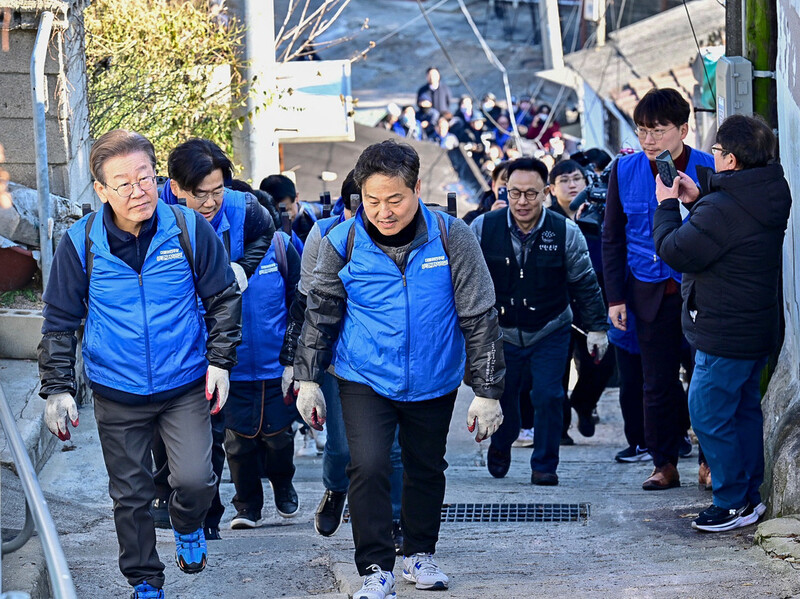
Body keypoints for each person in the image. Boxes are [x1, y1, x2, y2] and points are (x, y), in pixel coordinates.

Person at [293, 139, 505, 599]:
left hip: (434, 375)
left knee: (425, 466)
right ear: (360, 197)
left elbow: (479, 313)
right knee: (366, 464)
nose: (384, 211)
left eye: (395, 199)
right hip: (364, 374)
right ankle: (375, 567)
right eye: (373, 201)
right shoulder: (343, 240)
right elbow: (321, 313)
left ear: (417, 189)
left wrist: (488, 391)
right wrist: (307, 378)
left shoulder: (452, 236)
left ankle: (419, 553)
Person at [39, 129, 242, 599]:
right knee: (129, 495)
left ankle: (187, 523)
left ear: (160, 180)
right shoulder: (81, 242)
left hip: (185, 383)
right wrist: (58, 387)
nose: (137, 191)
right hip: (118, 391)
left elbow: (223, 298)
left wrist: (220, 361)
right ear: (102, 190)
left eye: (145, 178)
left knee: (195, 478)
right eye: (123, 183)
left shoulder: (189, 229)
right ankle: (145, 581)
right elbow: (59, 320)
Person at [653, 114, 791, 531]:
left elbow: (675, 250)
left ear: (729, 160)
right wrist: (698, 200)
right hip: (756, 325)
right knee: (745, 410)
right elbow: (731, 228)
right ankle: (749, 496)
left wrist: (665, 203)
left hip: (724, 330)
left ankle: (730, 502)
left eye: (715, 152)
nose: (711, 158)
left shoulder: (723, 209)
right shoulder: (769, 191)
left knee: (709, 413)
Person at [163, 139, 301, 529]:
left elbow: (300, 300)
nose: (210, 202)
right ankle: (244, 508)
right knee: (236, 441)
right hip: (227, 364)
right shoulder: (165, 221)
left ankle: (284, 486)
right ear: (177, 189)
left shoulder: (276, 248)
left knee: (277, 437)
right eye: (200, 194)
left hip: (274, 364)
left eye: (218, 192)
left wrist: (295, 358)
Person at [602, 88, 715, 490]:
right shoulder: (624, 170)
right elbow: (612, 237)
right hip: (647, 292)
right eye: (642, 130)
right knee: (656, 382)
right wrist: (615, 297)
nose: (649, 139)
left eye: (658, 130)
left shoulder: (708, 167)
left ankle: (708, 463)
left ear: (683, 129)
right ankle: (663, 462)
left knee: (704, 378)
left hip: (700, 292)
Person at [471, 157, 608, 486]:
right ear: (505, 190)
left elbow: (585, 283)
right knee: (506, 396)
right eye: (514, 193)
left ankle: (545, 464)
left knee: (548, 395)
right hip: (500, 331)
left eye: (531, 194)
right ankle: (500, 444)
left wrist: (597, 328)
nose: (522, 202)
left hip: (550, 327)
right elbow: (466, 285)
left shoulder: (566, 232)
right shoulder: (483, 228)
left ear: (546, 193)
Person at [548, 160, 616, 440]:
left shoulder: (600, 216)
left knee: (602, 365)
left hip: (593, 302)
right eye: (564, 180)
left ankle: (584, 404)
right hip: (556, 305)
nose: (572, 184)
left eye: (577, 178)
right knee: (556, 371)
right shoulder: (546, 220)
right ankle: (560, 427)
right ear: (551, 189)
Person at [260, 173, 317, 244]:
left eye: (286, 210)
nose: (279, 217)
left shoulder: (314, 215)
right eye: (274, 212)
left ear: (296, 197)